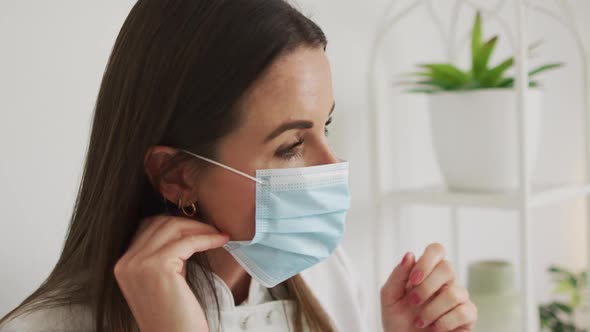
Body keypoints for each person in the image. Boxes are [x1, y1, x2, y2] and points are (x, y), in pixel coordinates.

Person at [0, 1, 477, 331]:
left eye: (325, 127)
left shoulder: (328, 278)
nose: (331, 165)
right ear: (177, 175)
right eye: (291, 145)